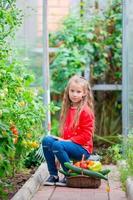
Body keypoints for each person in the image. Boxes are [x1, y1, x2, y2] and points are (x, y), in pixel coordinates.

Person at [42, 75, 95, 186]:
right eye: (72, 91)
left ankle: (69, 176)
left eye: (78, 92)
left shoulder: (86, 111)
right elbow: (65, 133)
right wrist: (59, 152)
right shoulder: (67, 109)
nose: (74, 94)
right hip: (70, 145)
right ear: (68, 91)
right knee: (47, 140)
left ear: (84, 93)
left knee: (57, 144)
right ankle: (54, 175)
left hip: (83, 149)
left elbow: (86, 136)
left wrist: (63, 144)